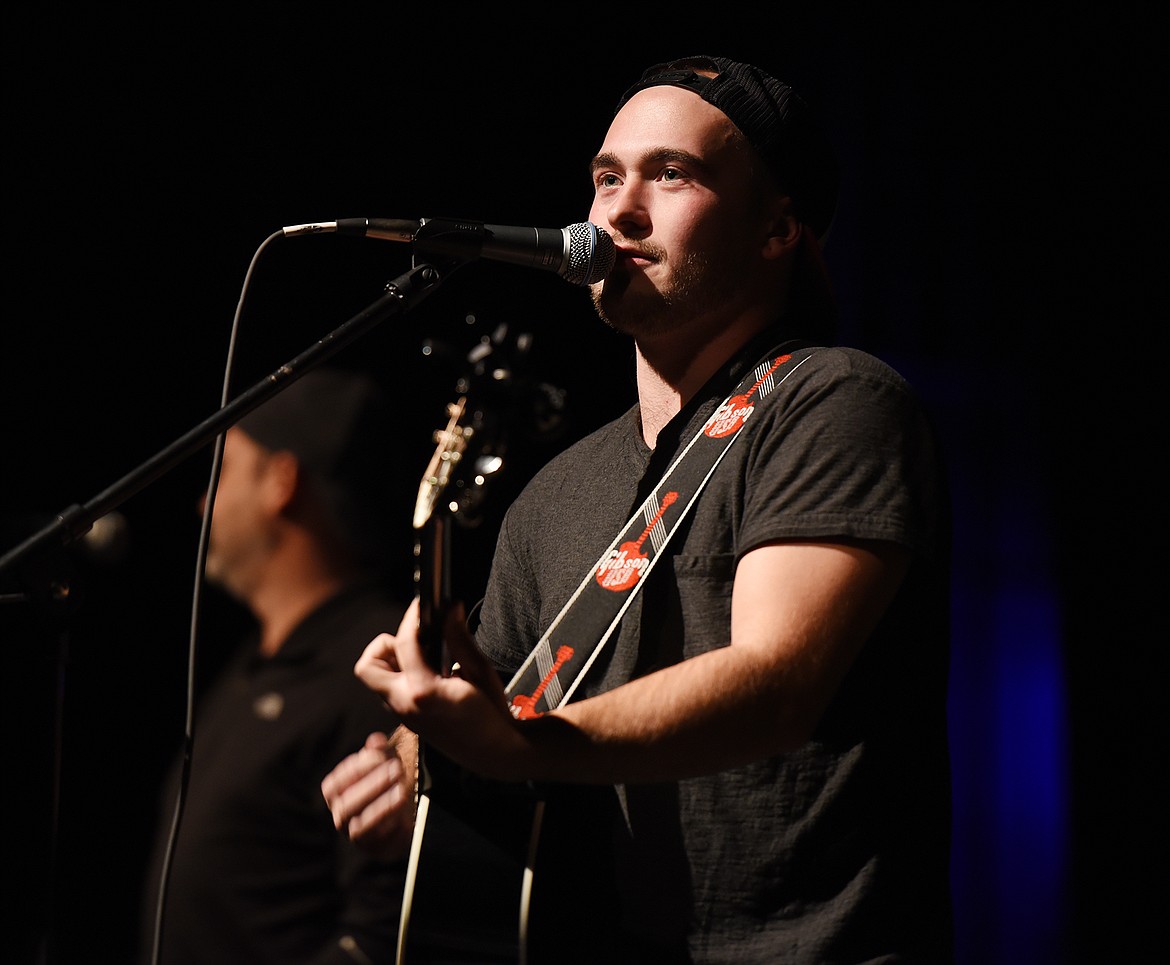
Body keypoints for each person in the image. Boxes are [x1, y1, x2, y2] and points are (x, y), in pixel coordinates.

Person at [321, 55, 954, 963]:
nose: (618, 210)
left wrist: (523, 744)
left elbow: (776, 685)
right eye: (607, 176)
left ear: (778, 228)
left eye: (672, 173)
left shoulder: (837, 401)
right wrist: (412, 756)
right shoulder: (554, 492)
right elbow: (491, 720)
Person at [139, 367, 411, 965]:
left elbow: (388, 929)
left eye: (224, 470)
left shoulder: (381, 664)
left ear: (281, 481)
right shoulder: (251, 666)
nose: (203, 500)